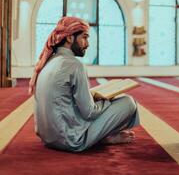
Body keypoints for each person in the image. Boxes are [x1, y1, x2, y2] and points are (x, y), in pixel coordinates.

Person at [29, 16, 139, 152]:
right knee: (128, 102)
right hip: (71, 140)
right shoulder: (74, 65)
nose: (87, 44)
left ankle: (102, 136)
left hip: (48, 138)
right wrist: (106, 99)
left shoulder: (46, 62)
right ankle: (102, 137)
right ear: (69, 38)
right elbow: (90, 112)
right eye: (84, 37)